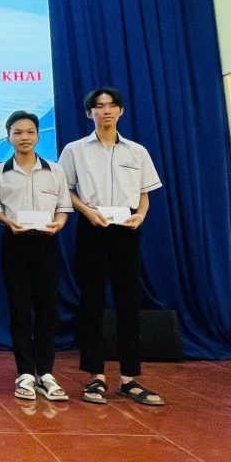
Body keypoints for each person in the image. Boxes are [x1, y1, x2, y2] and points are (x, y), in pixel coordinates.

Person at [59, 88, 164, 406]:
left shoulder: (137, 151)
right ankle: (96, 377)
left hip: (126, 229)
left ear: (121, 111)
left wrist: (141, 216)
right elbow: (65, 190)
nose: (105, 110)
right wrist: (86, 211)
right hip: (92, 227)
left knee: (128, 302)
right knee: (91, 302)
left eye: (111, 105)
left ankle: (130, 378)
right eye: (99, 106)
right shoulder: (75, 150)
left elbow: (144, 192)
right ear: (88, 113)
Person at [0, 111, 72, 402]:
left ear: (38, 135)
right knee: (20, 310)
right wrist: (7, 221)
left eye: (29, 132)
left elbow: (64, 207)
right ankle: (24, 372)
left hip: (47, 242)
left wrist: (58, 224)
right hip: (15, 242)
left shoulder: (56, 170)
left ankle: (46, 373)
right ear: (8, 137)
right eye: (18, 132)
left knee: (47, 309)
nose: (24, 137)